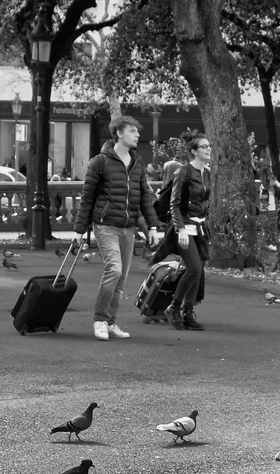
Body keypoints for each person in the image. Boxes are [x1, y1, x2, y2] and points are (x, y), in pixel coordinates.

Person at [73, 114, 159, 341]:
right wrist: (79, 231)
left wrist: (152, 226)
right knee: (114, 270)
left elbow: (144, 199)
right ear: (119, 133)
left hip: (128, 228)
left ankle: (111, 322)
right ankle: (100, 320)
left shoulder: (137, 162)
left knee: (120, 281)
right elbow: (87, 197)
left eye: (137, 131)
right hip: (105, 226)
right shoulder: (99, 162)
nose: (138, 134)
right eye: (133, 130)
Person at [164, 129, 211, 330]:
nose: (209, 149)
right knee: (194, 268)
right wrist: (181, 229)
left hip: (200, 227)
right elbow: (173, 204)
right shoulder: (183, 171)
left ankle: (187, 312)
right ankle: (173, 308)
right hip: (183, 226)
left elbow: (204, 200)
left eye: (209, 146)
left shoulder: (207, 173)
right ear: (193, 151)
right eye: (204, 147)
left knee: (199, 271)